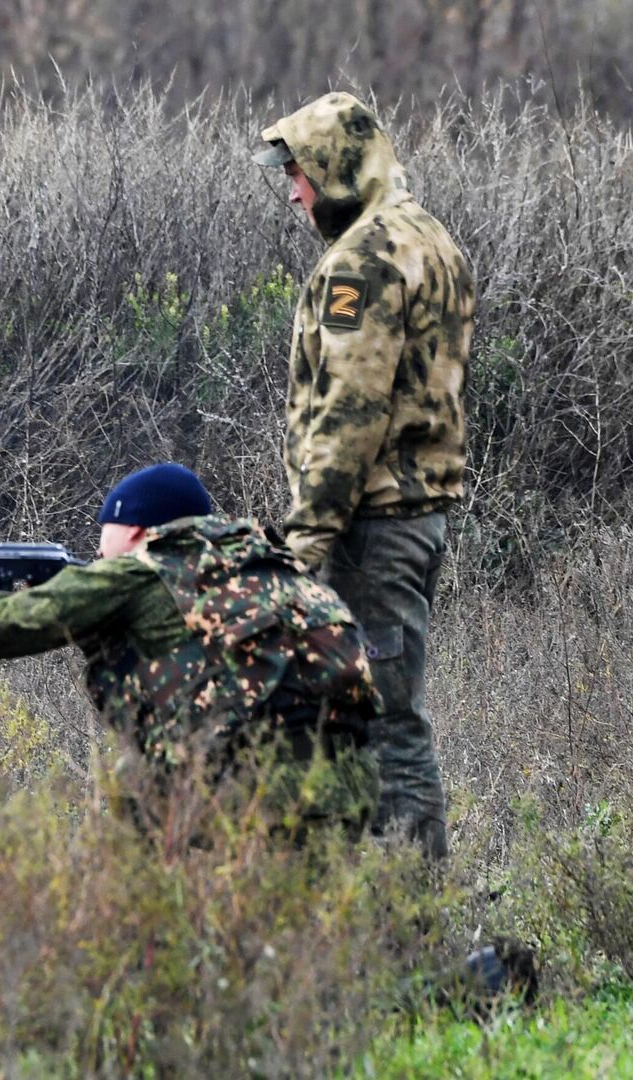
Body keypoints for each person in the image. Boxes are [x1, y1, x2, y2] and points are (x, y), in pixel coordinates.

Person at [0, 463, 379, 837]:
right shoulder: (277, 570)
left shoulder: (142, 570)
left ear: (138, 533)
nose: (99, 558)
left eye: (104, 547)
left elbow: (2, 628)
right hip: (344, 794)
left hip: (241, 803)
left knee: (133, 796)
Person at [253, 91, 473, 861]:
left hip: (372, 527)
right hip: (414, 514)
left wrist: (304, 540)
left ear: (336, 169)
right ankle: (367, 906)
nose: (293, 190)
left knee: (384, 719)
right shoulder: (431, 239)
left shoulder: (363, 262)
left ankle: (409, 913)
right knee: (367, 712)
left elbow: (350, 413)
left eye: (302, 172)